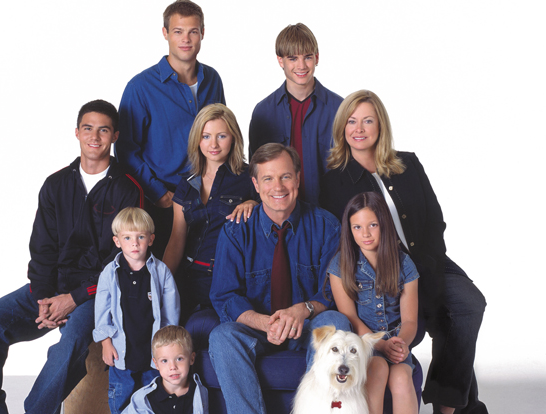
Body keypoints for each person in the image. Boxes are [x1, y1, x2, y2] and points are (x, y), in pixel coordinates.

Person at [0, 100, 144, 414]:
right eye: (87, 128)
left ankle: (36, 411)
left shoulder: (129, 191)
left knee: (72, 341)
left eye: (103, 130)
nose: (95, 136)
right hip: (50, 289)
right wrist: (44, 298)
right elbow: (42, 250)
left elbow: (123, 261)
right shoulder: (55, 184)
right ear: (76, 132)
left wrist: (74, 299)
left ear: (115, 135)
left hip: (97, 295)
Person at [320, 90, 487, 414]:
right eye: (351, 121)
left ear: (380, 125)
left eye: (368, 120)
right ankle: (467, 406)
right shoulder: (335, 181)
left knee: (468, 304)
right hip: (378, 270)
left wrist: (427, 270)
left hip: (427, 259)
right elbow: (341, 238)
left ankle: (448, 403)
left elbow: (435, 222)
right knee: (437, 318)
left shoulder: (406, 163)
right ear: (342, 127)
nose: (359, 128)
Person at [208, 143, 351, 414]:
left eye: (285, 176)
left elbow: (331, 292)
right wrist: (263, 322)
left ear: (298, 178)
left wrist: (303, 310)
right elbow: (224, 296)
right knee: (221, 336)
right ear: (255, 184)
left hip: (307, 325)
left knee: (336, 323)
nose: (278, 187)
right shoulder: (236, 231)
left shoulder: (327, 226)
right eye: (268, 179)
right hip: (257, 328)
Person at [116, 0, 225, 259]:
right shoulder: (140, 87)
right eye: (178, 31)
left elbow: (224, 133)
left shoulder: (213, 79)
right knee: (165, 279)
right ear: (165, 33)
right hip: (164, 200)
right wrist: (160, 194)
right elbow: (126, 149)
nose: (186, 39)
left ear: (202, 33)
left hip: (210, 196)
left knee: (209, 272)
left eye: (193, 31)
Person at [162, 104, 257, 337]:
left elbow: (273, 215)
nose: (213, 144)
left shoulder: (248, 178)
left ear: (233, 137)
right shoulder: (186, 183)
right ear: (197, 140)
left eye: (221, 136)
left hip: (227, 281)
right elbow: (176, 239)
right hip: (187, 280)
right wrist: (159, 281)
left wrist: (255, 205)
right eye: (206, 136)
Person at [327, 192, 419, 414]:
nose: (365, 233)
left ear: (384, 225)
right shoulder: (341, 266)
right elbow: (350, 317)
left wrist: (399, 345)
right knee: (376, 370)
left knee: (401, 379)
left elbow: (410, 321)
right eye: (357, 227)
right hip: (364, 343)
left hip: (396, 341)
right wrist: (379, 345)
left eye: (372, 225)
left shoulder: (404, 264)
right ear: (349, 229)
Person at [93, 207, 180, 414]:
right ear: (117, 241)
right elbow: (102, 311)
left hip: (152, 355)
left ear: (150, 239)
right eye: (128, 237)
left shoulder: (161, 272)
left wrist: (166, 351)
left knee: (153, 401)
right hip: (121, 353)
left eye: (140, 237)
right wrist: (106, 343)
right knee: (121, 401)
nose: (135, 243)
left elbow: (171, 314)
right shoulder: (109, 273)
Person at [248, 23, 343, 206]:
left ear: (316, 58)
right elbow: (255, 170)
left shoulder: (340, 108)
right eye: (293, 58)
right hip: (278, 213)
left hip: (330, 213)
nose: (301, 66)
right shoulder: (263, 112)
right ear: (280, 61)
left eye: (307, 57)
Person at [122, 325, 209, 414]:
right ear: (156, 364)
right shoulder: (143, 399)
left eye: (179, 359)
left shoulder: (199, 392)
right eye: (164, 361)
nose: (172, 367)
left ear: (192, 359)